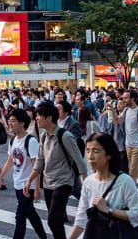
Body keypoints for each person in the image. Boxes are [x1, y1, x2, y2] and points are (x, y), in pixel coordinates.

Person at [23, 101, 87, 239]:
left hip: (63, 182)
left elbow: (80, 162)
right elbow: (39, 162)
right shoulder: (44, 136)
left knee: (52, 220)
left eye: (39, 115)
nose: (37, 118)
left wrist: (88, 184)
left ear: (49, 118)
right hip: (48, 183)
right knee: (55, 222)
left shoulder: (65, 136)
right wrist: (29, 181)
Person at [68, 133, 138, 239]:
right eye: (88, 150)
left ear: (108, 154)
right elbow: (81, 220)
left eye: (96, 151)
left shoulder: (124, 181)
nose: (90, 156)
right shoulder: (88, 182)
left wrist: (109, 210)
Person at [0, 108, 47, 239]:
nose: (10, 124)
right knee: (31, 214)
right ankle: (43, 237)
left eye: (13, 121)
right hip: (18, 184)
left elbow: (37, 166)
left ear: (22, 123)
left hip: (28, 186)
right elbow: (10, 161)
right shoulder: (13, 140)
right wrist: (0, 178)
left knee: (20, 217)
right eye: (9, 121)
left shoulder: (31, 141)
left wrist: (37, 188)